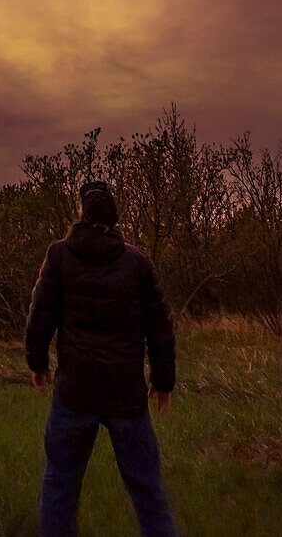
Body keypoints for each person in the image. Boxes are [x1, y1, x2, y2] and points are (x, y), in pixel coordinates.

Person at [25, 180, 177, 537]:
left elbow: (40, 314)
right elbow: (160, 326)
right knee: (148, 490)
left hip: (75, 394)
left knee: (60, 485)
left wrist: (37, 363)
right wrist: (164, 381)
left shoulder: (59, 255)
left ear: (82, 212)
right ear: (113, 217)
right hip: (126, 395)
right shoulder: (137, 261)